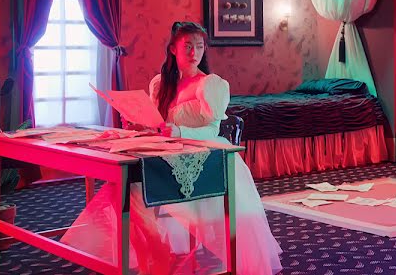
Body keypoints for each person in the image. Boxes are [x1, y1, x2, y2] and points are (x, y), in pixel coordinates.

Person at [61, 21, 283, 275]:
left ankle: (158, 252)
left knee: (131, 186)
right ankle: (155, 248)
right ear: (173, 49)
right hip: (167, 152)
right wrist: (139, 124)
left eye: (199, 46)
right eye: (187, 46)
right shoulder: (161, 84)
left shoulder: (210, 85)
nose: (194, 52)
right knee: (120, 187)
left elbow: (212, 131)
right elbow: (158, 125)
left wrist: (179, 132)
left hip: (202, 155)